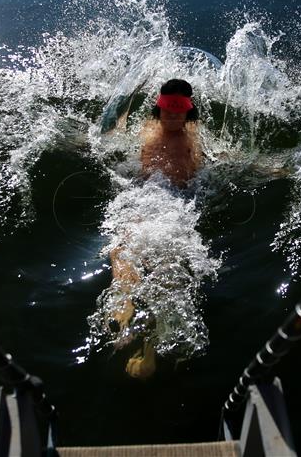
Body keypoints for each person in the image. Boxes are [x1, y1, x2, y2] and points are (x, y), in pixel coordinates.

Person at [107, 79, 202, 379]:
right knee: (121, 248)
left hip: (175, 204)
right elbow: (116, 133)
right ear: (158, 109)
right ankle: (126, 309)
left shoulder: (193, 137)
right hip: (144, 195)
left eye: (179, 113)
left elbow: (215, 161)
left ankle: (151, 348)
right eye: (167, 111)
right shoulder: (147, 127)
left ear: (188, 113)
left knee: (165, 262)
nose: (172, 117)